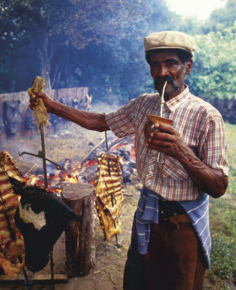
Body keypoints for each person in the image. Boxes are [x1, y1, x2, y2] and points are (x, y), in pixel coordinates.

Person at [29, 31, 229, 290]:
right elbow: (101, 121)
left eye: (171, 63)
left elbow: (219, 186)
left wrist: (181, 151)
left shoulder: (207, 116)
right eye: (155, 65)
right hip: (146, 216)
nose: (162, 72)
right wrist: (53, 106)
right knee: (137, 282)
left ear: (187, 67)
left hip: (182, 227)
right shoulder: (143, 106)